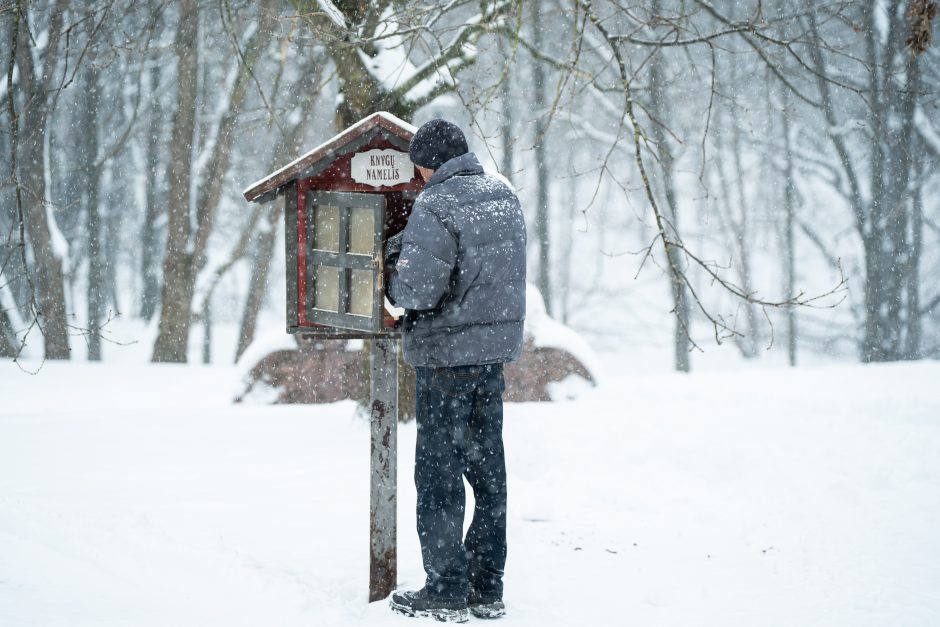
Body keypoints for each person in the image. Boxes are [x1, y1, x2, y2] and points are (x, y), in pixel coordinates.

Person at [384, 119, 526, 623]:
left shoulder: (436, 203)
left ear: (428, 163)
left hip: (445, 360)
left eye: (419, 168)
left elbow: (419, 290)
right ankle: (487, 585)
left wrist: (393, 267)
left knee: (438, 473)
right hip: (491, 358)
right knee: (488, 473)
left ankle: (445, 587)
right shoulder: (502, 197)